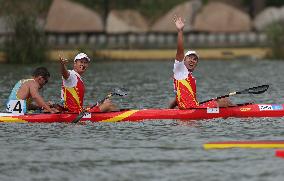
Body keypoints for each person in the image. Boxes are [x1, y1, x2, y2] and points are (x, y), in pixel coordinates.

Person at [169, 15, 233, 109]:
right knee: (225, 102)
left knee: (223, 99)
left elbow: (176, 99)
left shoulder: (188, 78)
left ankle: (238, 109)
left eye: (195, 59)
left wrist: (168, 111)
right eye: (190, 57)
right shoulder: (180, 69)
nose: (192, 60)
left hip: (193, 107)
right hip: (191, 110)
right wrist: (180, 31)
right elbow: (180, 51)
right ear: (184, 60)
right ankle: (244, 111)